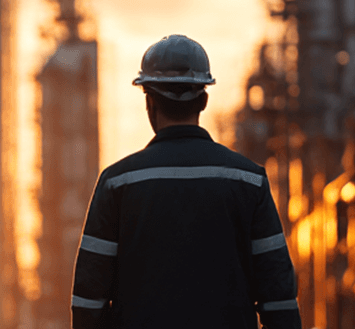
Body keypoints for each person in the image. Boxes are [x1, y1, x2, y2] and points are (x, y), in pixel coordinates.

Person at [69, 35, 301, 329]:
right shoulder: (249, 181)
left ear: (149, 102)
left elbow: (89, 299)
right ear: (203, 101)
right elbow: (278, 296)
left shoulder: (118, 183)